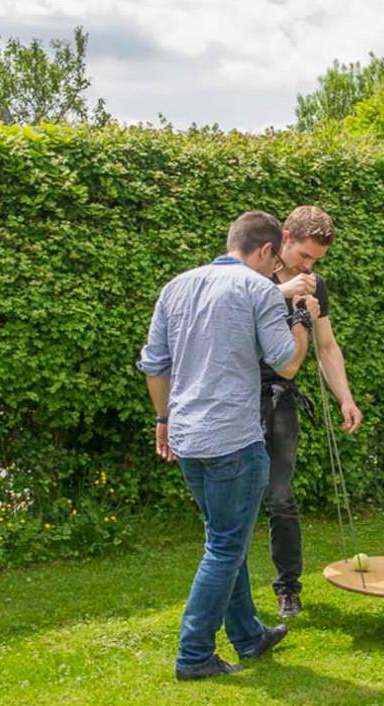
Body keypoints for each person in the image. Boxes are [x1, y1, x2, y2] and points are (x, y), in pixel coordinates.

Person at [137, 211, 317, 680]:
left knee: (224, 537)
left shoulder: (176, 286)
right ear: (264, 251)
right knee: (223, 546)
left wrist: (163, 420)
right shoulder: (257, 289)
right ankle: (193, 654)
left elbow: (155, 364)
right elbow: (288, 363)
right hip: (234, 439)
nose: (274, 269)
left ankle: (249, 636)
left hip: (188, 439)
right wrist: (301, 317)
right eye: (274, 259)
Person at [261, 205, 363, 620]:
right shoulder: (255, 276)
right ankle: (231, 597)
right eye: (304, 256)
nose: (308, 266)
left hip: (282, 398)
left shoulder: (314, 285)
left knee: (281, 497)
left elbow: (326, 346)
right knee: (239, 502)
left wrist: (345, 397)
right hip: (238, 396)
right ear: (285, 237)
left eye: (315, 260)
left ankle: (288, 589)